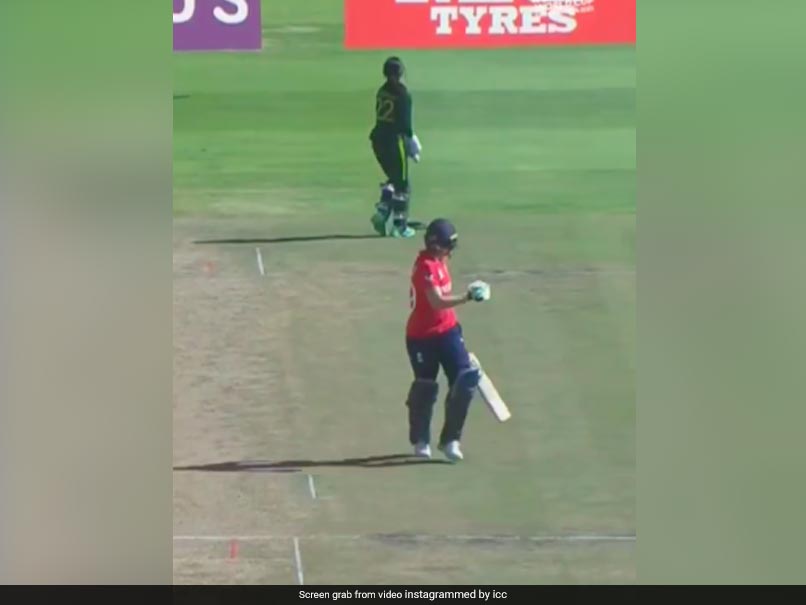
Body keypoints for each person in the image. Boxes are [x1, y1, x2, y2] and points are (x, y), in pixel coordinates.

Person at [404, 218, 491, 461]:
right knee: (425, 388)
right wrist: (468, 297)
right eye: (448, 247)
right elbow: (436, 302)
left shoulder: (439, 261)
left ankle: (451, 440)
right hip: (421, 337)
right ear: (437, 246)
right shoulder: (425, 267)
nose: (450, 252)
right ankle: (421, 440)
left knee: (464, 382)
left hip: (448, 331)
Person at [369, 57, 422, 239]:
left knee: (394, 178)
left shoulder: (382, 91)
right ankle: (400, 225)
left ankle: (382, 212)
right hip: (394, 142)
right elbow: (405, 125)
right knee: (403, 185)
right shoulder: (403, 95)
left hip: (378, 140)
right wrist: (412, 142)